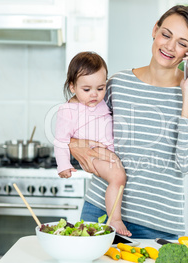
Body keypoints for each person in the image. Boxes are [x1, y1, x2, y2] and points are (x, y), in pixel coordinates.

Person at [69, 5, 188, 239]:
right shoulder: (117, 84)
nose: (169, 46)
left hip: (157, 222)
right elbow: (75, 125)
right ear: (155, 30)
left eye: (182, 43)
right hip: (101, 211)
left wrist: (187, 91)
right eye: (166, 34)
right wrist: (73, 143)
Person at [53, 51, 130, 236]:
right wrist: (63, 165)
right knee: (118, 177)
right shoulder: (68, 110)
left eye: (101, 88)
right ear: (72, 86)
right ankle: (115, 218)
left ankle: (114, 216)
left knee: (118, 177)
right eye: (86, 90)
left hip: (106, 151)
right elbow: (61, 140)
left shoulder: (101, 102)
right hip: (93, 153)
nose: (94, 95)